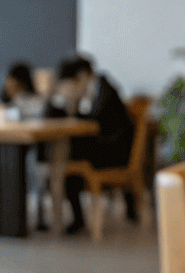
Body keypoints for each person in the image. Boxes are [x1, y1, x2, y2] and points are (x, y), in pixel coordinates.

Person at [46, 55, 135, 235]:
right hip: (104, 148)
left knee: (67, 161)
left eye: (71, 82)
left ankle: (75, 218)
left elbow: (95, 123)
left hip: (114, 153)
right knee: (67, 157)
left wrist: (70, 104)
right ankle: (75, 218)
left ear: (82, 76)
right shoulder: (96, 89)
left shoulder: (105, 91)